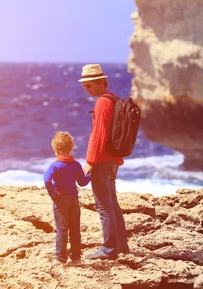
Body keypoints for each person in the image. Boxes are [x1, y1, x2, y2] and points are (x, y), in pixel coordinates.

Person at [79, 63, 130, 260]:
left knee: (104, 207)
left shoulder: (102, 102)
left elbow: (99, 135)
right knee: (113, 204)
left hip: (102, 161)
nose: (86, 88)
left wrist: (90, 162)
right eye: (84, 85)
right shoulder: (113, 99)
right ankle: (121, 245)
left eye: (89, 84)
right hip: (113, 161)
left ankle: (109, 250)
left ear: (101, 82)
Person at [44, 131, 91, 266]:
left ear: (56, 150)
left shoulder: (55, 166)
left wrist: (53, 195)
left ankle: (61, 259)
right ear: (71, 148)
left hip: (61, 200)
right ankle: (76, 258)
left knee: (62, 229)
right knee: (75, 229)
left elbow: (47, 180)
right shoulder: (76, 164)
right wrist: (91, 175)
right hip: (73, 199)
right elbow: (82, 182)